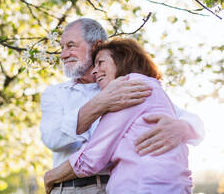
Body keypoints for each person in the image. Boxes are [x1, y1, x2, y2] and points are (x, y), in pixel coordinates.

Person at [40, 18, 204, 194]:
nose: (63, 54)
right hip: (72, 187)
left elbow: (187, 118)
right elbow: (52, 138)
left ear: (96, 46)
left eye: (70, 46)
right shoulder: (56, 93)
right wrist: (100, 103)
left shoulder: (130, 86)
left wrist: (183, 127)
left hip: (119, 184)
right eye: (62, 47)